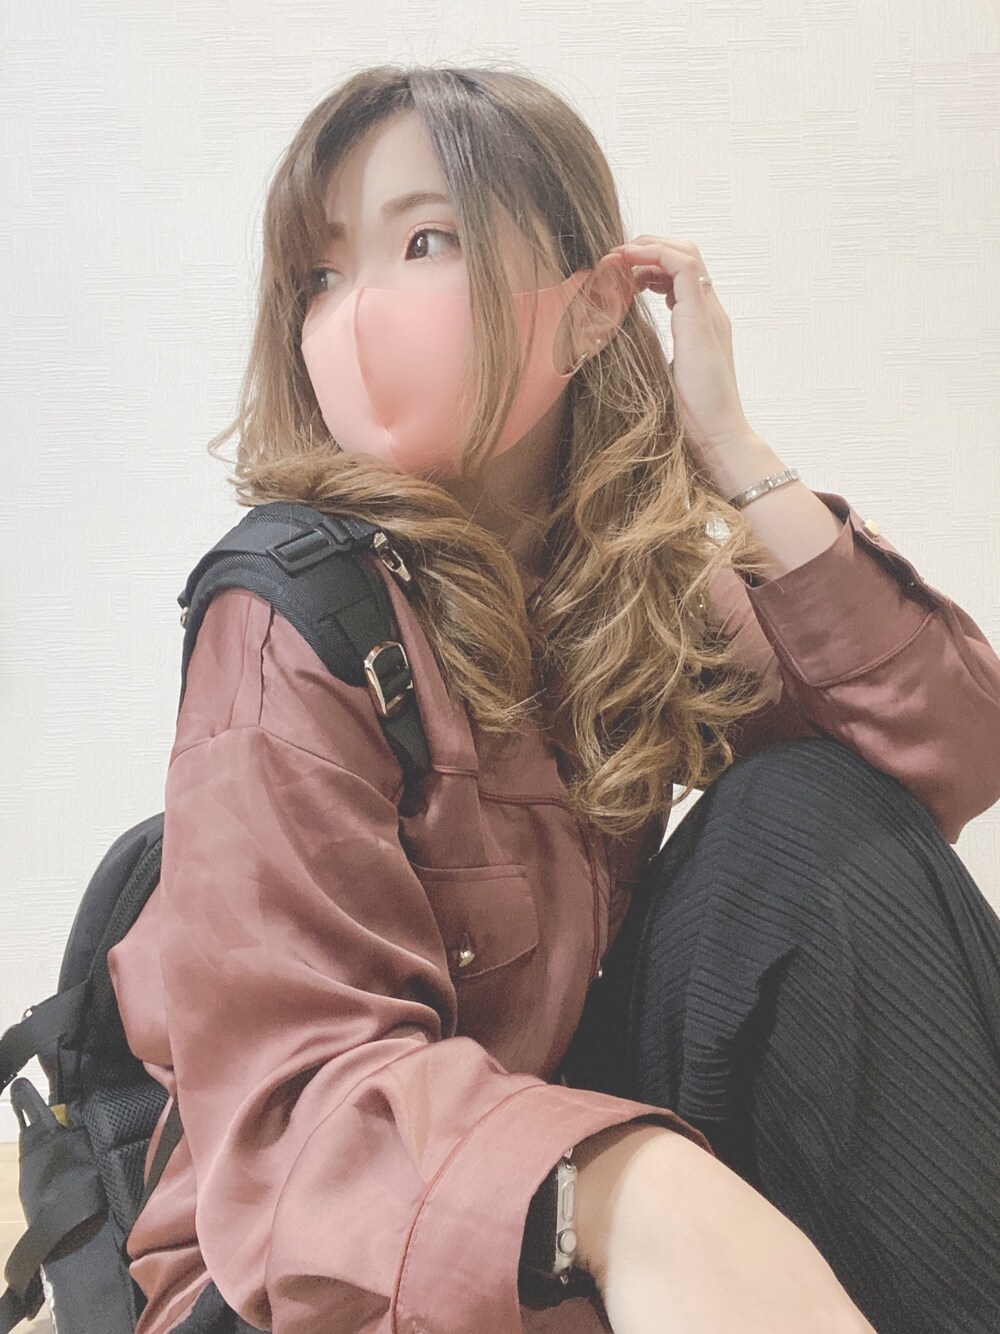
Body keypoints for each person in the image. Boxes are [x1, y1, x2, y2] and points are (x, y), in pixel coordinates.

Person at [106, 62, 1000, 1334]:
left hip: (549, 1185)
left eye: (425, 241)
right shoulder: (288, 614)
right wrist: (630, 1188)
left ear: (589, 309)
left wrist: (736, 452)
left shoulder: (619, 588)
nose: (355, 311)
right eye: (321, 272)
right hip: (314, 1263)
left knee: (804, 811)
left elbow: (943, 756)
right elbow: (299, 1113)